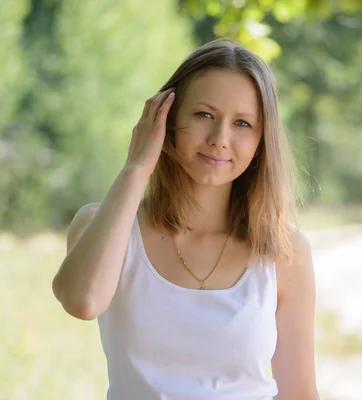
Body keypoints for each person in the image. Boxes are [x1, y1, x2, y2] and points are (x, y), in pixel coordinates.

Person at [52, 39, 319, 400]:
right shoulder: (102, 225)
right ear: (167, 116)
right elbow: (82, 301)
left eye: (242, 123)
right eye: (204, 115)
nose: (220, 139)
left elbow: (299, 394)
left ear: (261, 141)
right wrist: (136, 167)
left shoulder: (285, 252)